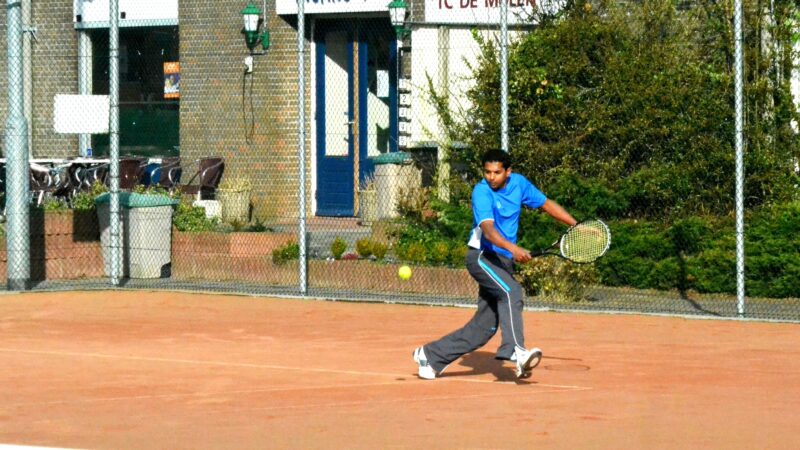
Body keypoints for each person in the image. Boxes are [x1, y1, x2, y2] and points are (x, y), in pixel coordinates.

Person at [413, 149, 577, 379]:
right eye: (487, 172)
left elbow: (546, 204)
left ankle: (430, 356)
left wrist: (575, 226)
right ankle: (517, 352)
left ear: (508, 172)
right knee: (512, 292)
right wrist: (514, 249)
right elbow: (488, 231)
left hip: (502, 262)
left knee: (483, 329)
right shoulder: (481, 192)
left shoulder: (519, 184)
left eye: (497, 172)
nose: (491, 177)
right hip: (481, 257)